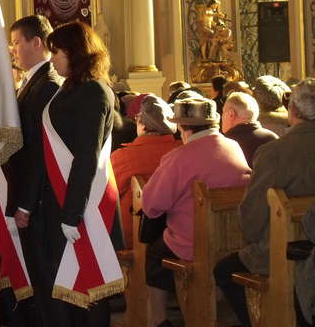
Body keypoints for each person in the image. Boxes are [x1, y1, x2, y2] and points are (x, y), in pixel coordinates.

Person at [41, 21, 124, 326]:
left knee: (91, 283)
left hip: (86, 203)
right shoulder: (72, 88)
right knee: (72, 284)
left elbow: (87, 155)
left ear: (75, 52)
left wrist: (72, 213)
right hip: (68, 197)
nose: (52, 59)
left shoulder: (93, 91)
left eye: (57, 52)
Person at [214, 78, 315, 327]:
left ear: (293, 109)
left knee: (223, 270)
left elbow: (252, 218)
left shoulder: (275, 152)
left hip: (286, 248)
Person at [141, 97, 251, 327]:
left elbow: (151, 206)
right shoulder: (233, 147)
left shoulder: (179, 157)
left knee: (153, 254)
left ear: (183, 127)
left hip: (192, 244)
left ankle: (159, 321)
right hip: (235, 240)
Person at [2, 14, 62, 327]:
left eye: (16, 43)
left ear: (36, 42)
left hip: (39, 201)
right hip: (29, 196)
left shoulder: (47, 86)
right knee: (37, 276)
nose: (13, 50)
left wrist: (25, 203)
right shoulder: (32, 84)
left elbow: (39, 152)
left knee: (45, 276)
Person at [110, 94, 181, 249]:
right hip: (177, 234)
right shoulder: (183, 151)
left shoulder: (122, 157)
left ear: (142, 124)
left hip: (134, 239)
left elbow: (107, 196)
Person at [221, 92, 278, 167]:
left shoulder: (225, 144)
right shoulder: (273, 138)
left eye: (223, 112)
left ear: (231, 114)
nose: (221, 117)